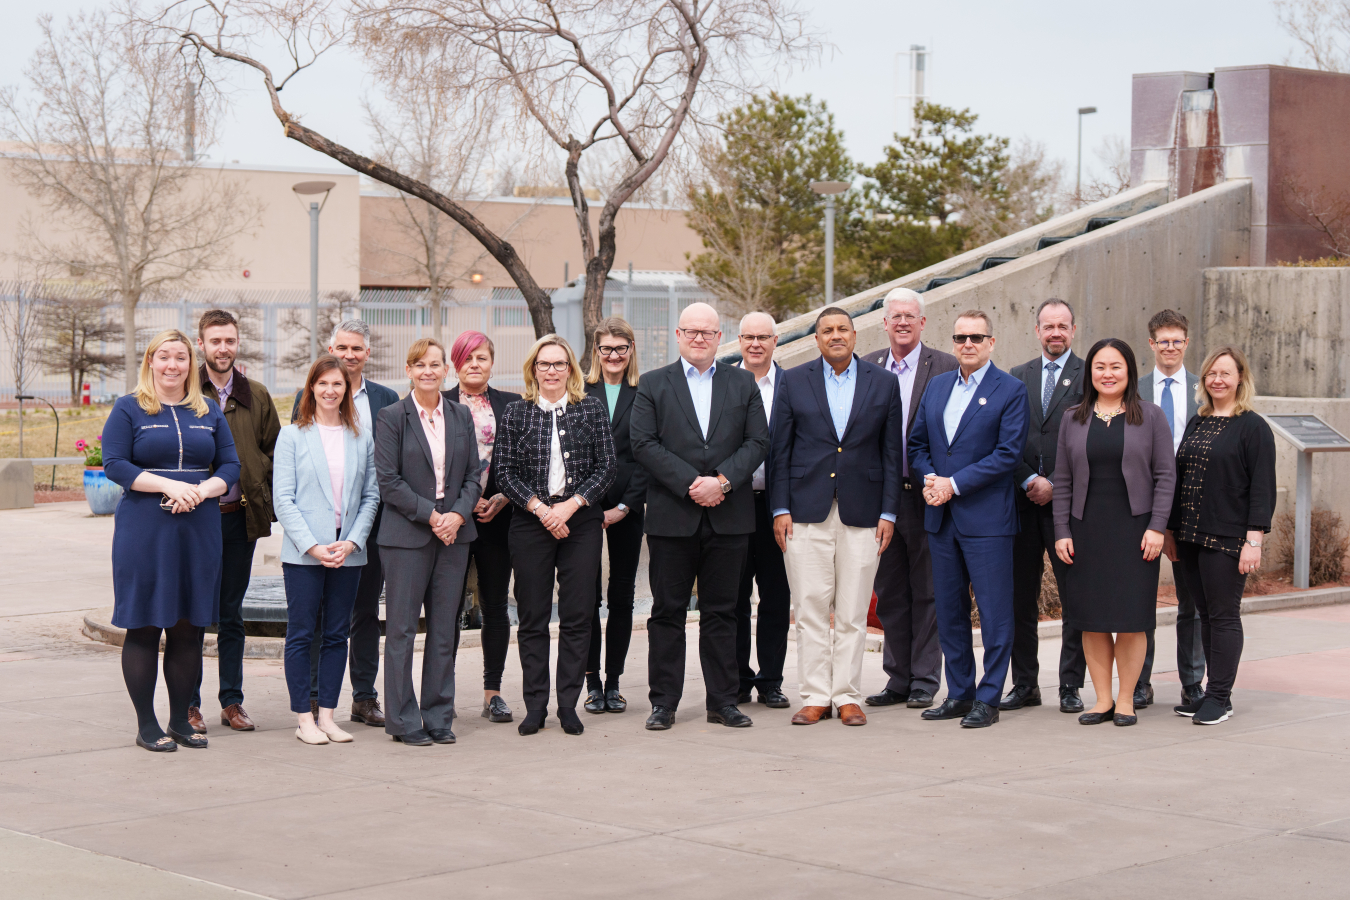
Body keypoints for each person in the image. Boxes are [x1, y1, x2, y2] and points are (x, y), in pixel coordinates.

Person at [630, 302, 770, 731]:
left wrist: (722, 482)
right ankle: (664, 703)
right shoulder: (653, 384)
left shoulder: (742, 382)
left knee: (723, 612)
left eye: (707, 332)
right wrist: (694, 482)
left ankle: (722, 701)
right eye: (690, 331)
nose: (698, 338)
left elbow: (758, 440)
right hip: (674, 517)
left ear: (718, 337)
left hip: (729, 518)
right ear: (677, 334)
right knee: (667, 612)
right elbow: (643, 443)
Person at [103, 330, 240, 751]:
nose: (173, 365)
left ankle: (180, 720)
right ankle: (148, 726)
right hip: (145, 530)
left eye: (181, 357)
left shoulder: (208, 411)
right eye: (164, 357)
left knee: (188, 629)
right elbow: (115, 465)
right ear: (150, 361)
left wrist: (201, 491)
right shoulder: (129, 409)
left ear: (190, 363)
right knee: (143, 625)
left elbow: (231, 466)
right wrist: (168, 485)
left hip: (198, 529)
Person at [770, 308, 902, 726]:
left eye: (842, 329)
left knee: (852, 610)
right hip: (804, 513)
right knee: (809, 609)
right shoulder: (793, 381)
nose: (835, 335)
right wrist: (780, 508)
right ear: (817, 338)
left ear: (855, 334)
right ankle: (814, 696)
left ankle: (846, 695)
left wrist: (888, 511)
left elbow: (891, 453)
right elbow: (780, 450)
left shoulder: (884, 382)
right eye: (827, 330)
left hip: (864, 514)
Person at [909, 310, 1028, 729]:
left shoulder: (1010, 389)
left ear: (991, 342)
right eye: (960, 337)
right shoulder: (938, 386)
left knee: (995, 614)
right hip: (941, 519)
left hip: (988, 521)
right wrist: (929, 479)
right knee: (949, 611)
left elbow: (1008, 454)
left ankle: (989, 697)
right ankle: (960, 693)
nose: (967, 344)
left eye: (976, 337)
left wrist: (952, 484)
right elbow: (917, 443)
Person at [495, 335, 616, 736]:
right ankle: (535, 705)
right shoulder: (515, 413)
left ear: (570, 370)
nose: (551, 371)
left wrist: (571, 505)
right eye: (544, 364)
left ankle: (568, 704)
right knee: (531, 617)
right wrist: (542, 509)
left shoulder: (591, 410)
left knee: (578, 615)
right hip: (531, 521)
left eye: (559, 364)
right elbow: (504, 472)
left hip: (579, 521)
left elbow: (606, 468)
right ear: (533, 370)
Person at [1052, 339, 1176, 727]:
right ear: (1090, 373)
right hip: (1086, 530)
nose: (1108, 374)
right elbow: (1062, 480)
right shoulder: (1073, 417)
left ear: (1129, 372)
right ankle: (1101, 699)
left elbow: (1165, 476)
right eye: (1100, 367)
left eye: (1116, 367)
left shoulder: (1151, 416)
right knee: (1091, 619)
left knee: (1131, 617)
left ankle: (1126, 699)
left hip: (1135, 530)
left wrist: (1158, 527)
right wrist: (1061, 530)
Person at [374, 338, 482, 746]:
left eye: (435, 365)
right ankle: (403, 721)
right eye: (420, 365)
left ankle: (438, 716)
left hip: (454, 534)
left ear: (445, 370)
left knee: (443, 630)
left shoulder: (460, 415)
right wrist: (433, 515)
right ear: (409, 370)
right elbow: (388, 481)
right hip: (407, 534)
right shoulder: (392, 417)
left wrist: (456, 515)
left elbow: (474, 474)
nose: (428, 372)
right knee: (401, 630)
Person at [293, 320, 400, 728]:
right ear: (330, 348)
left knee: (366, 613)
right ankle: (319, 697)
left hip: (370, 527)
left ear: (367, 353)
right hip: (321, 530)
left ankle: (364, 696)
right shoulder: (310, 396)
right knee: (322, 614)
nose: (349, 355)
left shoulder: (387, 399)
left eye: (357, 348)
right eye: (342, 347)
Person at [1165, 347, 1276, 726]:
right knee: (1205, 616)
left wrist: (1254, 540)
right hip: (1191, 536)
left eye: (1225, 373)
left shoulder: (1253, 427)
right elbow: (1181, 479)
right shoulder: (1199, 421)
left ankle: (1220, 698)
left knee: (1224, 616)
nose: (1217, 380)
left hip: (1228, 539)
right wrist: (1171, 530)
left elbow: (1262, 489)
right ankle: (1212, 693)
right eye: (1211, 373)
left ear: (1240, 379)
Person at [274, 355, 380, 744]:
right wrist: (314, 546)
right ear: (311, 388)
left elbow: (371, 496)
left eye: (338, 384)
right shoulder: (293, 435)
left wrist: (352, 541)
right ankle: (305, 717)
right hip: (305, 553)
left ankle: (330, 716)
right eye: (323, 384)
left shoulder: (360, 435)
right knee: (302, 633)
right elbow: (283, 500)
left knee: (337, 634)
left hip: (347, 550)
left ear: (346, 389)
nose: (330, 391)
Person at [863, 288, 958, 711]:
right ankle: (897, 678)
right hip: (882, 499)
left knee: (929, 591)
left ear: (923, 323)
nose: (902, 322)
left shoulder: (948, 366)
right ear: (884, 323)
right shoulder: (867, 367)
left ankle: (923, 678)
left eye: (910, 316)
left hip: (929, 497)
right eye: (895, 316)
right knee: (890, 592)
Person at [190, 310, 280, 734]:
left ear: (237, 343)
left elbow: (276, 456)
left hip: (239, 520)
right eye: (215, 341)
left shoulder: (256, 395)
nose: (222, 348)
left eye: (229, 340)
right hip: (194, 521)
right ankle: (188, 703)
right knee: (191, 612)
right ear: (202, 344)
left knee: (231, 613)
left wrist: (267, 505)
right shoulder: (188, 391)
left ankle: (232, 701)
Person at [1006, 299, 1089, 715]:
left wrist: (1056, 484)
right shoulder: (1017, 377)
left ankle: (1070, 685)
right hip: (1021, 505)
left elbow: (1093, 440)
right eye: (1047, 326)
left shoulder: (1090, 376)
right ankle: (1024, 685)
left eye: (1062, 326)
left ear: (1073, 330)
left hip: (1069, 508)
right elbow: (1006, 438)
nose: (1055, 333)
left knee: (1074, 599)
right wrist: (1028, 479)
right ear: (1036, 330)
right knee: (1020, 599)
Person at [443, 330, 521, 725]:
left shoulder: (512, 405)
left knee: (495, 606)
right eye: (467, 358)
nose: (475, 364)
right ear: (455, 363)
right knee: (448, 607)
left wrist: (503, 496)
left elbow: (526, 459)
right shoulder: (439, 404)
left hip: (498, 516)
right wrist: (462, 502)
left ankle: (493, 693)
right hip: (453, 521)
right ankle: (444, 692)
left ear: (493, 362)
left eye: (482, 357)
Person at [1139, 309, 1206, 707]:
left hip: (1192, 510)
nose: (1170, 347)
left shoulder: (1203, 390)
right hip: (1142, 508)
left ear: (1186, 342)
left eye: (1177, 341)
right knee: (1139, 600)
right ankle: (1139, 682)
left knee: (1192, 603)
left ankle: (1192, 682)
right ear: (1151, 344)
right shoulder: (1136, 388)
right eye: (1162, 341)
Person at [582, 318, 646, 714]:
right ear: (596, 352)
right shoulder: (580, 392)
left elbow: (647, 454)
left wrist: (625, 506)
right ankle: (591, 684)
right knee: (586, 599)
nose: (614, 356)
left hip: (628, 506)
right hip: (584, 508)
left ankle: (614, 682)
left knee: (621, 597)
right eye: (607, 349)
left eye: (621, 348)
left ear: (631, 350)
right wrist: (586, 504)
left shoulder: (645, 392)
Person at [733, 311, 791, 710]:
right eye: (748, 337)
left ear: (776, 341)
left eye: (763, 337)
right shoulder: (722, 382)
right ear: (738, 341)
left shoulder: (794, 385)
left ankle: (771, 681)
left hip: (779, 507)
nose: (756, 344)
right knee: (732, 598)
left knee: (776, 597)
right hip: (731, 505)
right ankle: (736, 680)